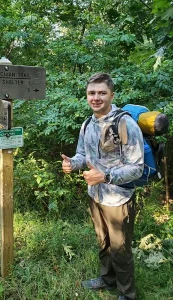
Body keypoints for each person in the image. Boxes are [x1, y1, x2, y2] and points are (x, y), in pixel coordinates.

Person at [61, 72, 144, 300]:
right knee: (104, 242)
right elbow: (81, 154)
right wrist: (72, 163)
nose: (96, 97)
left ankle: (127, 294)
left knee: (120, 248)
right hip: (95, 195)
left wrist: (105, 176)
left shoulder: (125, 123)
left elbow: (136, 167)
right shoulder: (87, 123)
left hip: (118, 198)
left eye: (101, 93)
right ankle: (108, 280)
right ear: (87, 96)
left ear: (111, 95)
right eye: (91, 93)